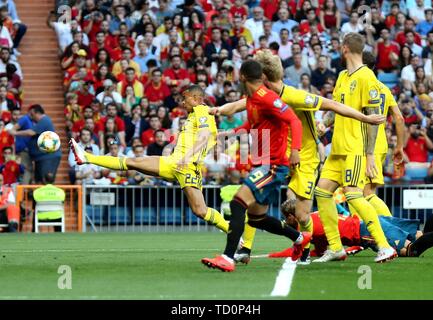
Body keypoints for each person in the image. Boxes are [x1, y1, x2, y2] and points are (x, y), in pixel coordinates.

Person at [217, 49, 386, 265]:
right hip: (279, 159)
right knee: (254, 202)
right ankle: (245, 249)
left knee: (301, 214)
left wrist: (365, 117)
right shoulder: (262, 96)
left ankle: (307, 245)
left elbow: (332, 105)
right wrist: (216, 111)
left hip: (304, 160)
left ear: (264, 78)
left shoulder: (294, 96)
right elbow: (238, 105)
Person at [70, 84, 230, 233]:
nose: (182, 102)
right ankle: (86, 157)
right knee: (133, 161)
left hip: (186, 166)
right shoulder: (194, 116)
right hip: (174, 163)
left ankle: (232, 232)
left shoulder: (202, 110)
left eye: (185, 98)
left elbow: (204, 136)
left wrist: (186, 157)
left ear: (196, 98)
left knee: (200, 210)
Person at [201, 59, 310, 273]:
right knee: (257, 219)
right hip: (263, 163)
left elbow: (294, 121)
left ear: (242, 76)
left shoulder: (266, 97)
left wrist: (295, 151)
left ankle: (228, 257)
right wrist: (228, 135)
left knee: (237, 203)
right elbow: (251, 125)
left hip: (273, 165)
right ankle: (298, 238)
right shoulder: (251, 99)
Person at [313, 32, 396, 263]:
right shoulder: (342, 76)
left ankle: (384, 246)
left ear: (345, 48)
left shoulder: (367, 78)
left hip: (355, 149)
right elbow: (338, 108)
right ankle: (336, 247)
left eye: (341, 46)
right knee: (322, 192)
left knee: (353, 195)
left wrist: (369, 155)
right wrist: (324, 124)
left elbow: (374, 118)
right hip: (337, 148)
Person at [266, 199, 433, 259]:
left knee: (410, 251)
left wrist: (273, 254)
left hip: (364, 231)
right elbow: (320, 250)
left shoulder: (309, 228)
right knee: (418, 234)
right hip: (371, 220)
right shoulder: (317, 214)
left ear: (291, 216)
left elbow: (305, 246)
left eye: (285, 217)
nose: (284, 220)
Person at [360, 51, 406, 217]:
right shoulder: (384, 89)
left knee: (362, 194)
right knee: (368, 193)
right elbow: (399, 119)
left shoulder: (361, 85)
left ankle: (393, 229)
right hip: (380, 144)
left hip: (365, 146)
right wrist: (400, 146)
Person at [8, 105, 61, 183]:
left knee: (46, 180)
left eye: (32, 115)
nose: (31, 117)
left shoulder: (44, 120)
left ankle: (48, 195)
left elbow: (31, 132)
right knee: (39, 181)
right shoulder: (40, 122)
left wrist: (15, 132)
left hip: (48, 157)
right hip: (41, 157)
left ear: (37, 113)